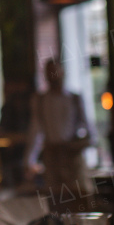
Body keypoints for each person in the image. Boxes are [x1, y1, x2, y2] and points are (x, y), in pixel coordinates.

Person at [25, 58, 96, 207]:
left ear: (63, 72)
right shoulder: (40, 100)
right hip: (52, 158)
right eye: (49, 72)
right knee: (56, 201)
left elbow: (89, 130)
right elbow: (35, 130)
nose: (53, 76)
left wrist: (81, 145)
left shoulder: (74, 99)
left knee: (81, 197)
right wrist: (29, 161)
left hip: (72, 158)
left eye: (55, 71)